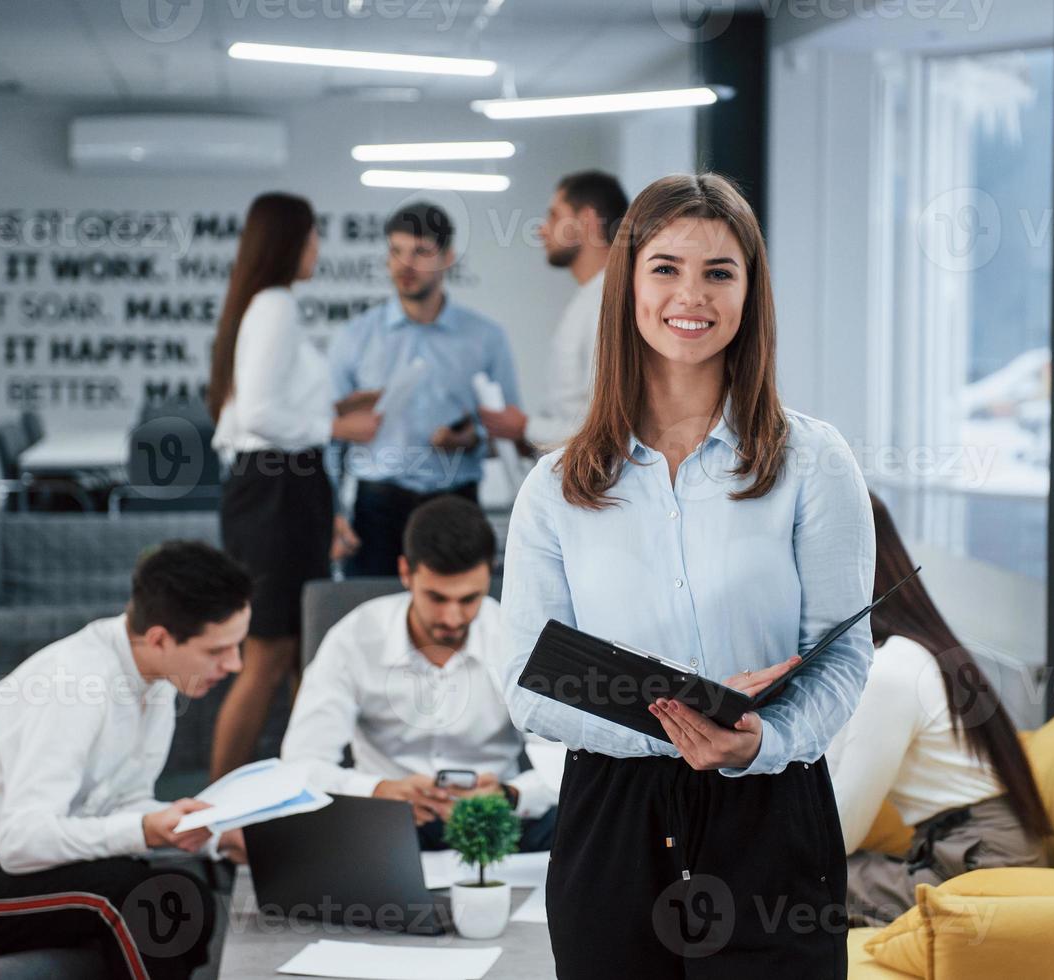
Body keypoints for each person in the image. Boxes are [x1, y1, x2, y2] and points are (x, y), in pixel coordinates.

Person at [497, 173, 874, 978]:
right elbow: (527, 681)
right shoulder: (557, 485)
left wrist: (757, 742)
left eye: (719, 272)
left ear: (750, 292)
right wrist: (671, 722)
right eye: (665, 267)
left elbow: (843, 655)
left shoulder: (813, 463)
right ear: (627, 282)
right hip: (614, 823)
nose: (690, 295)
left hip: (772, 813)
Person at [0, 541, 254, 980]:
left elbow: (121, 804)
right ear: (160, 638)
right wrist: (145, 830)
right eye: (217, 651)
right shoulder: (75, 686)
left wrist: (214, 835)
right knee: (143, 898)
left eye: (237, 646)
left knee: (181, 899)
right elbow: (23, 840)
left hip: (4, 873)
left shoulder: (157, 678)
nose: (236, 664)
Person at [206, 192, 382, 779]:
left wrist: (333, 406)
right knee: (269, 654)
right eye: (311, 237)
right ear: (289, 243)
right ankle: (211, 815)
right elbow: (259, 416)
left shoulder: (262, 305)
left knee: (299, 650)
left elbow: (271, 405)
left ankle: (311, 790)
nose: (317, 249)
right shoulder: (275, 304)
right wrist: (337, 424)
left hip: (281, 489)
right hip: (276, 492)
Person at [280, 495, 557, 852]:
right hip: (385, 823)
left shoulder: (516, 638)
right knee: (300, 818)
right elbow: (302, 763)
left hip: (497, 819)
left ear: (490, 576)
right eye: (437, 598)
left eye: (469, 599)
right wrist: (378, 791)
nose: (453, 618)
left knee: (575, 820)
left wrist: (511, 793)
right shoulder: (353, 639)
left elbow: (560, 762)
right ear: (405, 573)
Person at [826, 493, 1052, 926]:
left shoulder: (892, 669)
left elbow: (840, 832)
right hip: (974, 850)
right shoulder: (910, 650)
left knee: (781, 881)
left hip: (981, 864)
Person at [326, 201, 523, 577]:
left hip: (456, 506)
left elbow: (509, 428)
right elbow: (328, 436)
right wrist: (333, 512)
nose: (405, 265)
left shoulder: (485, 338)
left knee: (459, 621)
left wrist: (472, 438)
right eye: (396, 252)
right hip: (377, 509)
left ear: (447, 257)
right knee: (372, 617)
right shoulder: (354, 337)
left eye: (420, 252)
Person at [480, 170, 628, 454]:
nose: (542, 229)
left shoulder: (611, 303)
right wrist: (528, 436)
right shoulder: (589, 297)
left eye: (554, 216)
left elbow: (613, 428)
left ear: (586, 220)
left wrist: (525, 427)